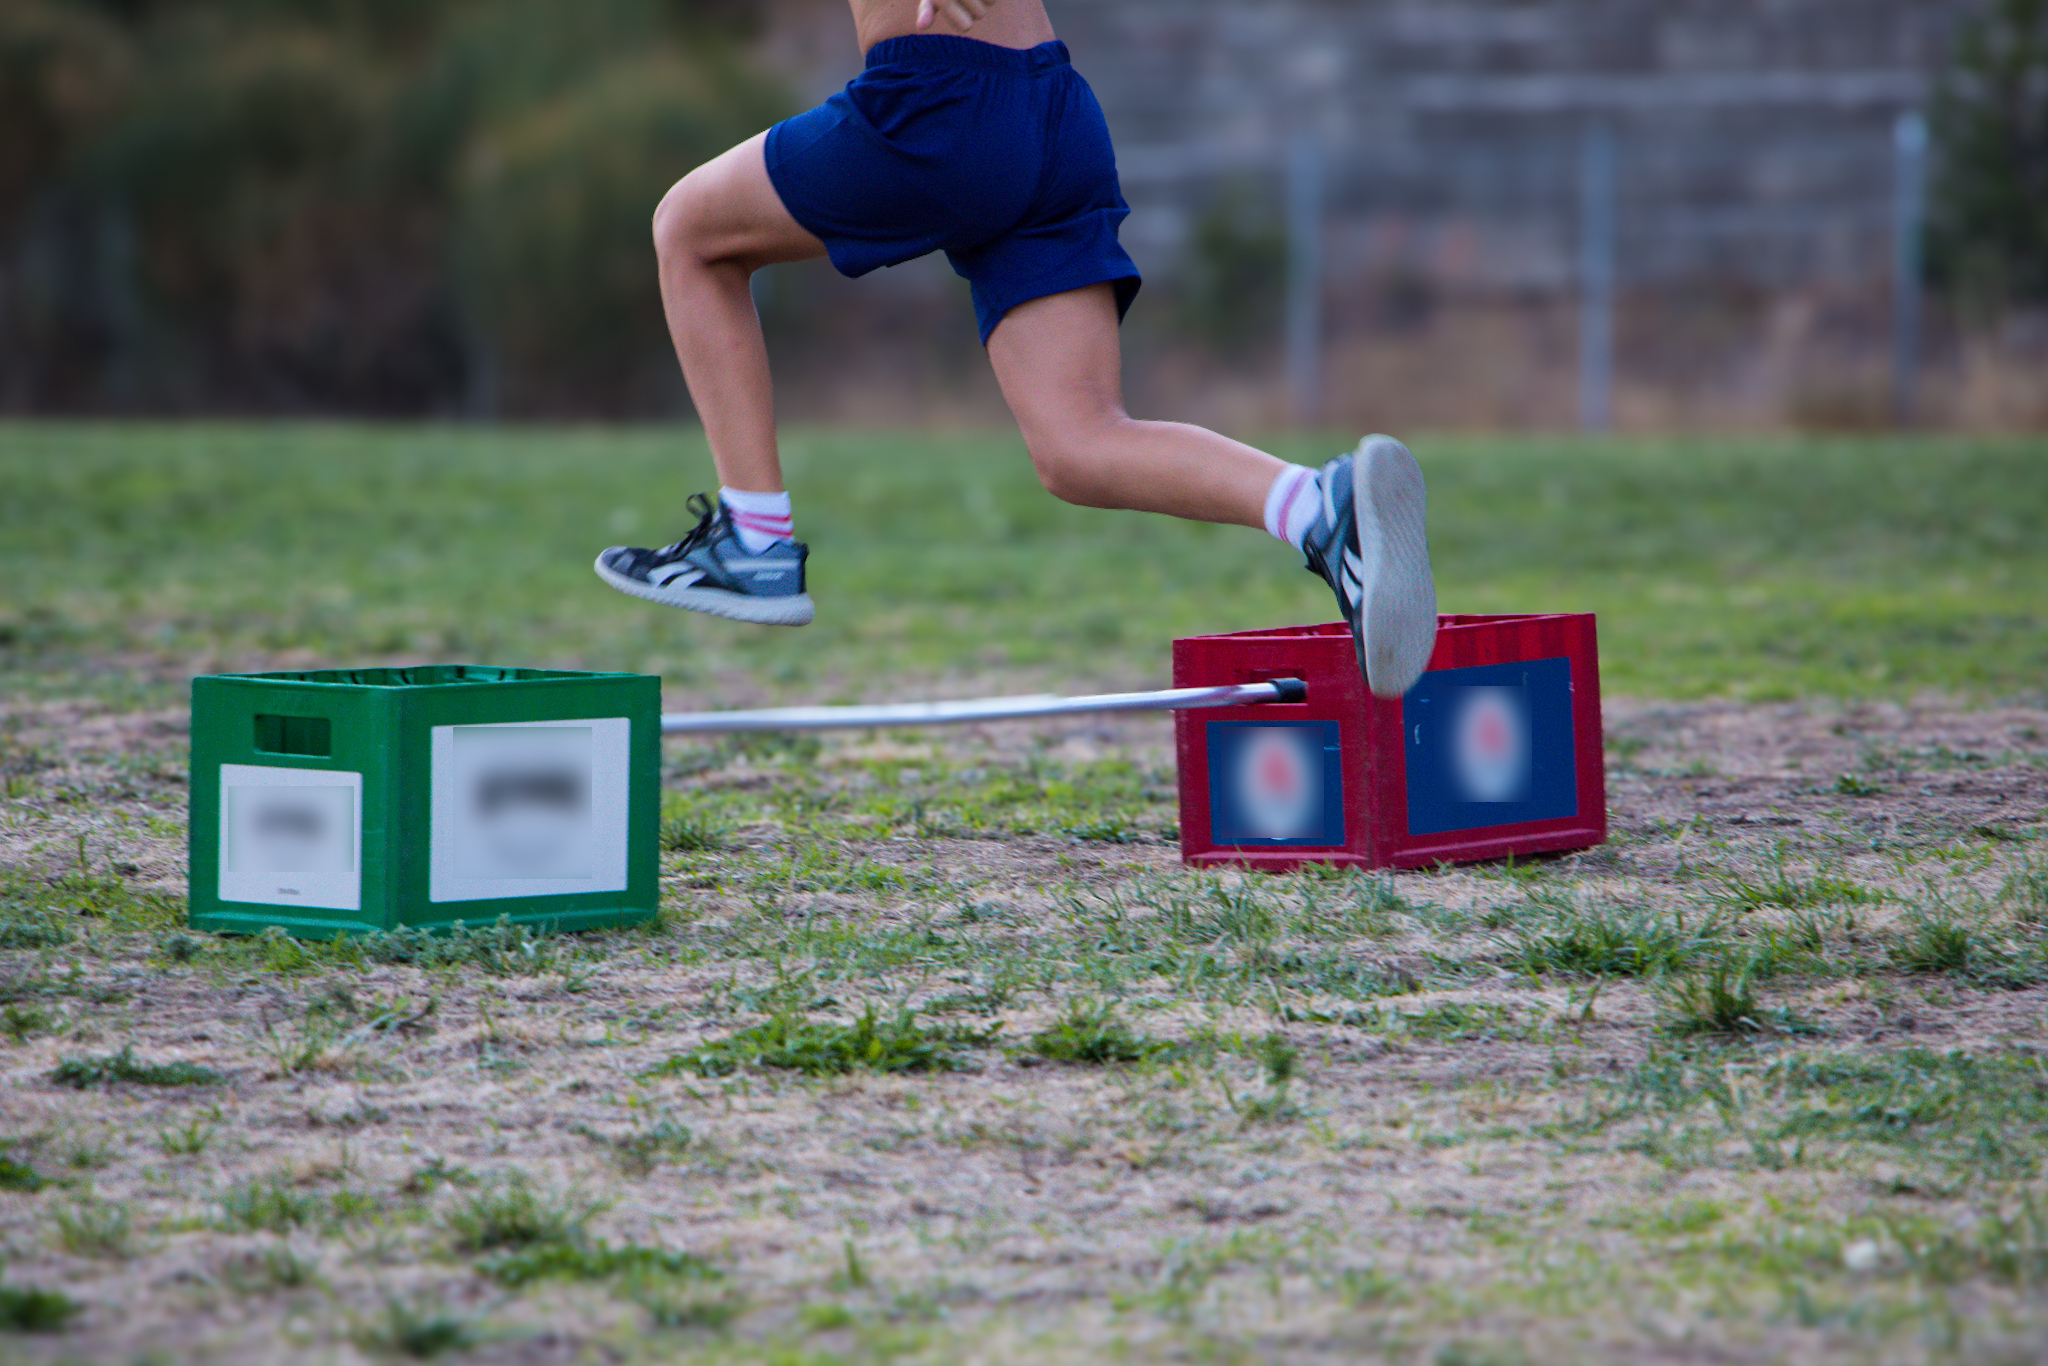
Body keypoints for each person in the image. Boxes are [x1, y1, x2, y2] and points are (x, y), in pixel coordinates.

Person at [595, 0, 1438, 698]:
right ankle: (1321, 510)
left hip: (941, 105)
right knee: (1080, 445)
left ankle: (754, 540)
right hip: (1054, 112)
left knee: (691, 233)